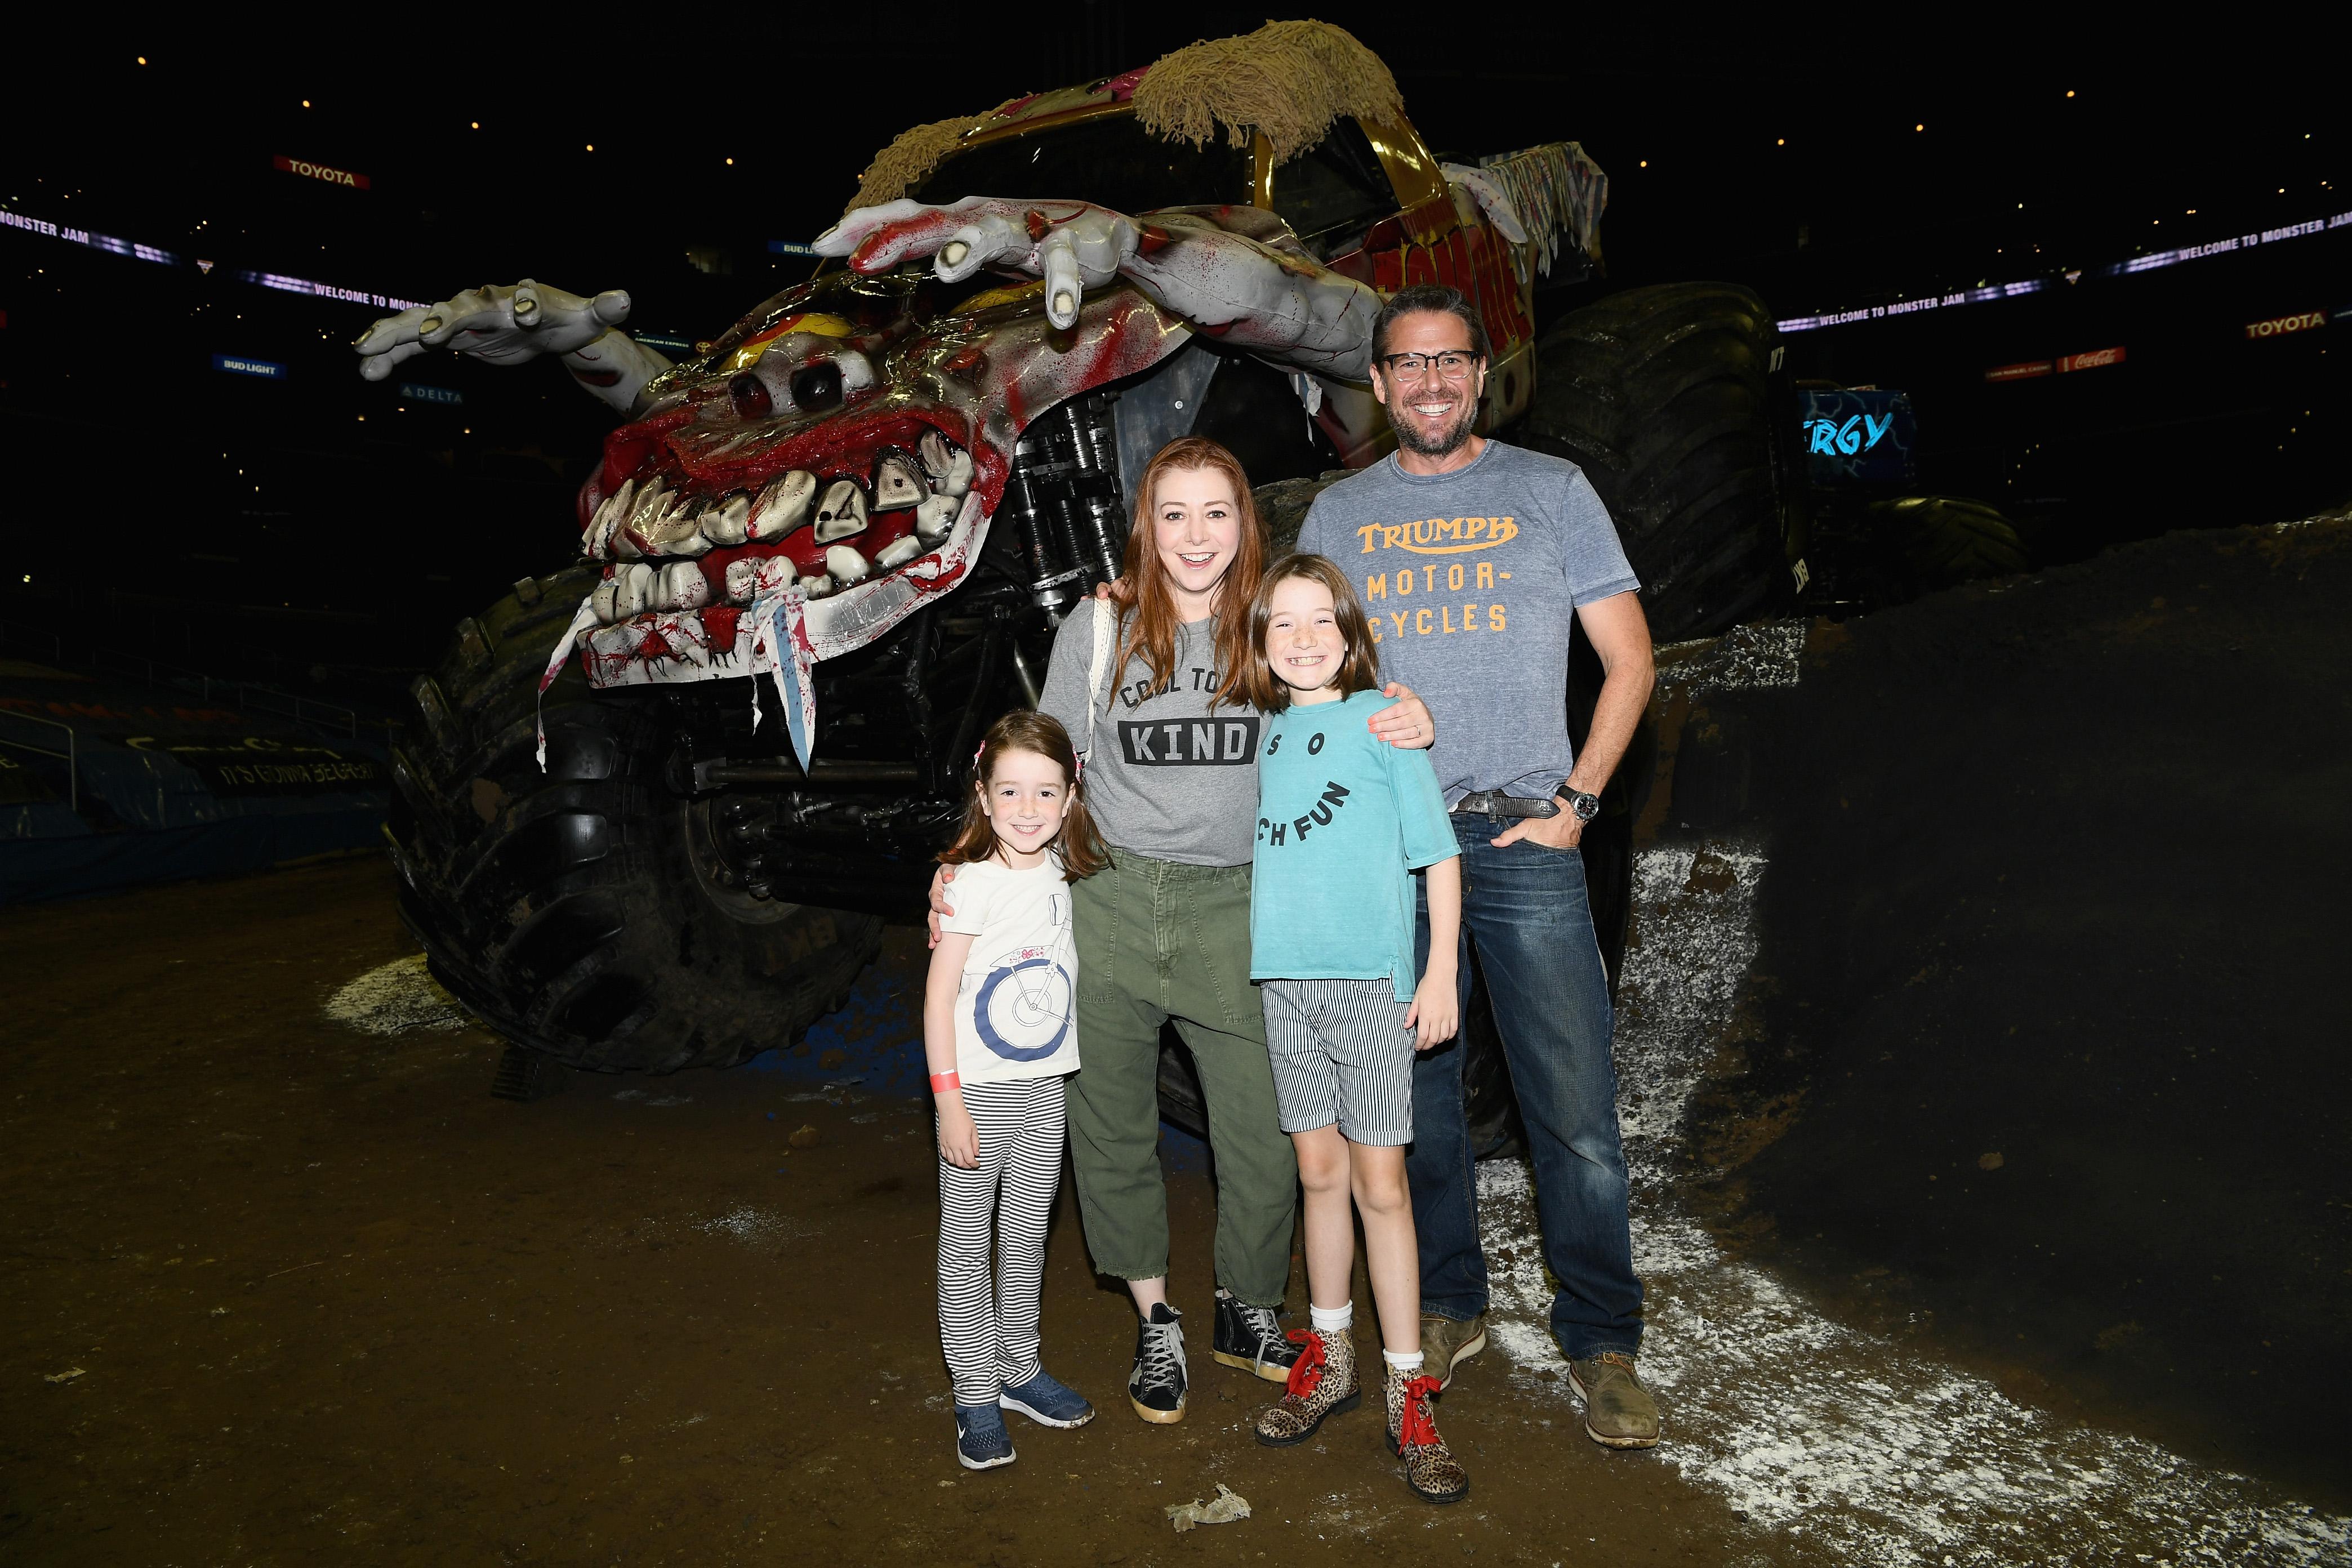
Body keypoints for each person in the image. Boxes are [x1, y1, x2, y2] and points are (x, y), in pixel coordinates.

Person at [932, 436, 1436, 1427]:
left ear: (1246, 523)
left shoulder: (1267, 628)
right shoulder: (1103, 625)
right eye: (1174, 513)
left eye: (1218, 512)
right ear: (1146, 525)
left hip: (1241, 903)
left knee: (1263, 1127)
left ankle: (1244, 1306)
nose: (1196, 534)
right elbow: (1040, 764)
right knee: (1109, 1121)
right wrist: (971, 865)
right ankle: (1154, 1314)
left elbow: (1349, 695)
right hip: (1110, 897)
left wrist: (1409, 710)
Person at [1295, 284, 1663, 1450]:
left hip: (1523, 840)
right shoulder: (1340, 514)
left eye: (1452, 362)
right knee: (1414, 1108)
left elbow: (1630, 663)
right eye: (1408, 364)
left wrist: (1576, 809)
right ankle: (1450, 1303)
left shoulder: (1552, 492)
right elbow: (1294, 669)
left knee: (1576, 1113)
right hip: (1390, 853)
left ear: (1484, 372)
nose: (1432, 383)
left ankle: (1603, 1338)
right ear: (1379, 381)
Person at [1239, 553, 1470, 1505]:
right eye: (1280, 624)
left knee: (1381, 1185)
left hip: (1374, 990)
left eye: (1318, 621)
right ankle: (1329, 1361)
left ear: (1350, 632)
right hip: (1285, 989)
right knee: (1317, 1174)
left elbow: (1438, 854)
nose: (1301, 640)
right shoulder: (1267, 738)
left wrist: (1440, 969)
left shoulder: (1385, 725)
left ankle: (1409, 1391)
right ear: (1259, 644)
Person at [925, 710, 1110, 1470]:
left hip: (1045, 1093)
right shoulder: (969, 885)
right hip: (977, 1097)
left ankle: (1019, 1367)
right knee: (967, 1247)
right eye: (1011, 792)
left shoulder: (1066, 872)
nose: (1028, 810)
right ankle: (974, 1388)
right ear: (983, 794)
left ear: (1069, 798)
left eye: (1045, 793)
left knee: (1028, 1238)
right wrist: (948, 1104)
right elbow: (938, 1001)